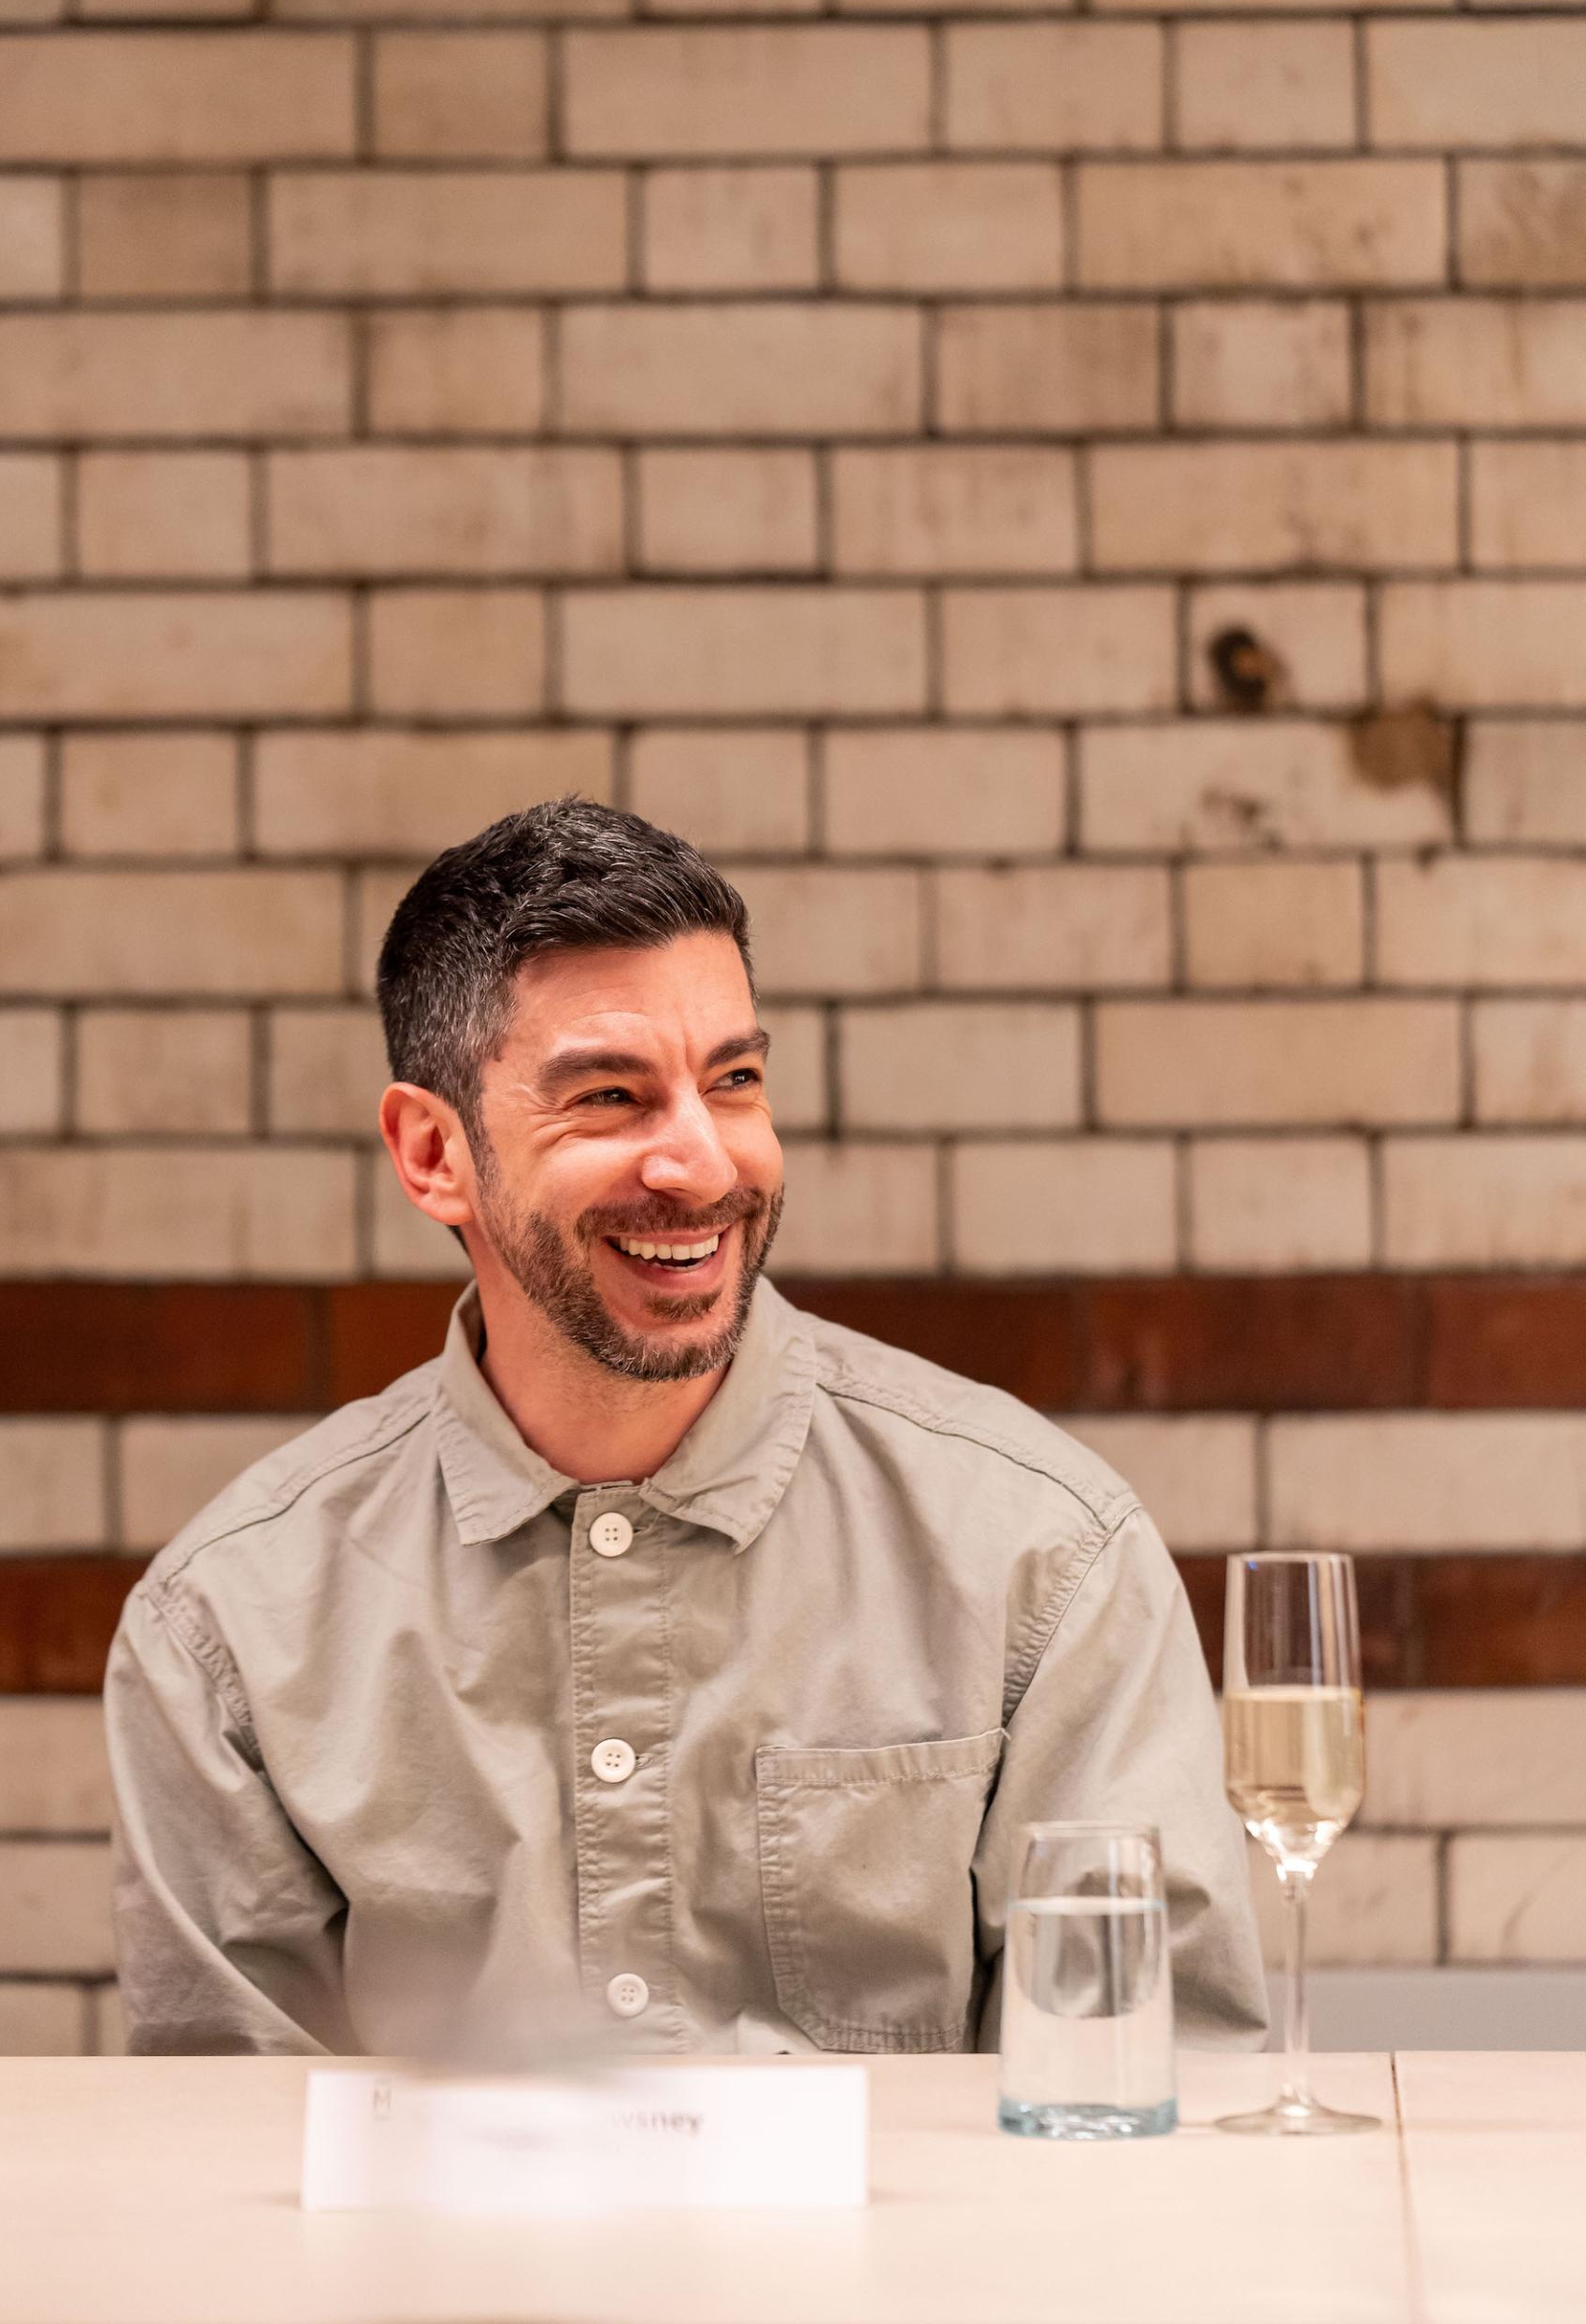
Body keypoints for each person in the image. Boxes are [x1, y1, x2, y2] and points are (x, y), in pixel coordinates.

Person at [106, 798, 1266, 2058]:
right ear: (434, 1153)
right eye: (612, 1097)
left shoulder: (1045, 1558)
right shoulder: (230, 1630)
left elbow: (1151, 2096)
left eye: (735, 1082)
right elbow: (229, 2144)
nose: (704, 1165)